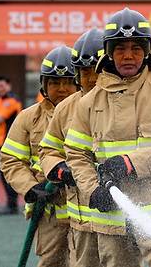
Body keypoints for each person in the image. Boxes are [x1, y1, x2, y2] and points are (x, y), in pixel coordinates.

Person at [64, 8, 151, 267]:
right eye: (120, 48)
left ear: (147, 51)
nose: (128, 56)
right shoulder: (88, 103)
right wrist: (92, 190)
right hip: (113, 215)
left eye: (136, 48)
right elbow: (77, 155)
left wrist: (130, 162)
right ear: (109, 53)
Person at [0, 46, 78, 266]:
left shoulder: (91, 112)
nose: (62, 89)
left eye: (68, 82)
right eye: (54, 82)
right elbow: (11, 159)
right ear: (43, 85)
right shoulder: (27, 118)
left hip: (85, 211)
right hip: (48, 211)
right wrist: (31, 188)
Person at [39, 29, 103, 267]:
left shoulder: (125, 100)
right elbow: (48, 150)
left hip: (119, 213)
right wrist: (59, 169)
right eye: (85, 71)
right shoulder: (66, 108)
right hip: (81, 212)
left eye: (97, 70)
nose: (91, 78)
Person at [0, 76, 23, 214]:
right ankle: (9, 204)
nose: (0, 89)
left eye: (2, 86)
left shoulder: (11, 100)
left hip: (8, 143)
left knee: (7, 174)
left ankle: (12, 205)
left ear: (8, 86)